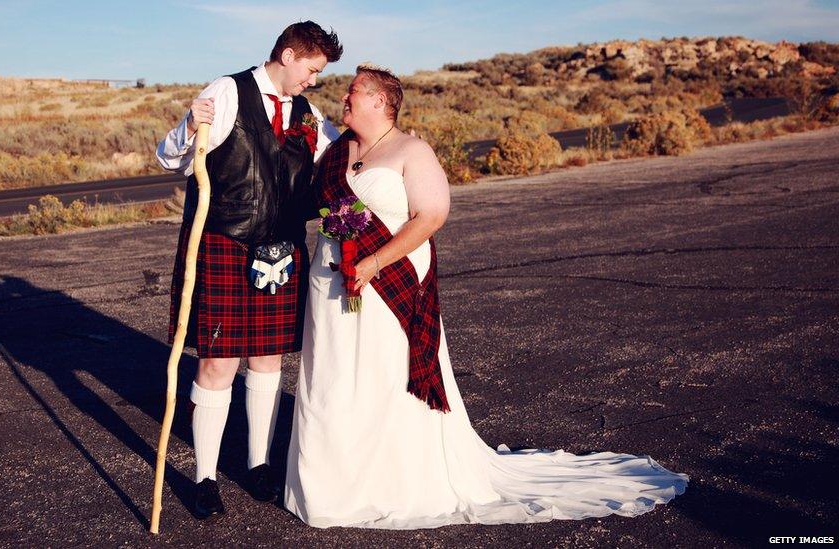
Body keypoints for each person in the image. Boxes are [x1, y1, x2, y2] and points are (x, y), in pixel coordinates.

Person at [283, 64, 688, 529]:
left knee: (382, 376)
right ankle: (330, 484)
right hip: (332, 279)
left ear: (380, 101)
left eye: (354, 91)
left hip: (388, 281)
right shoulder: (338, 150)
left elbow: (431, 216)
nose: (345, 97)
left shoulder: (413, 150)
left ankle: (389, 484)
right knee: (332, 379)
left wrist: (374, 262)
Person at [155, 21, 342, 519]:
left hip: (283, 246)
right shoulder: (227, 91)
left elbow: (338, 162)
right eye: (312, 70)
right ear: (287, 54)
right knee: (217, 363)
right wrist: (189, 128)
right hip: (225, 242)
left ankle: (258, 467)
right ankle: (205, 479)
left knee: (267, 359)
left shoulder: (308, 114)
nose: (314, 81)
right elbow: (170, 157)